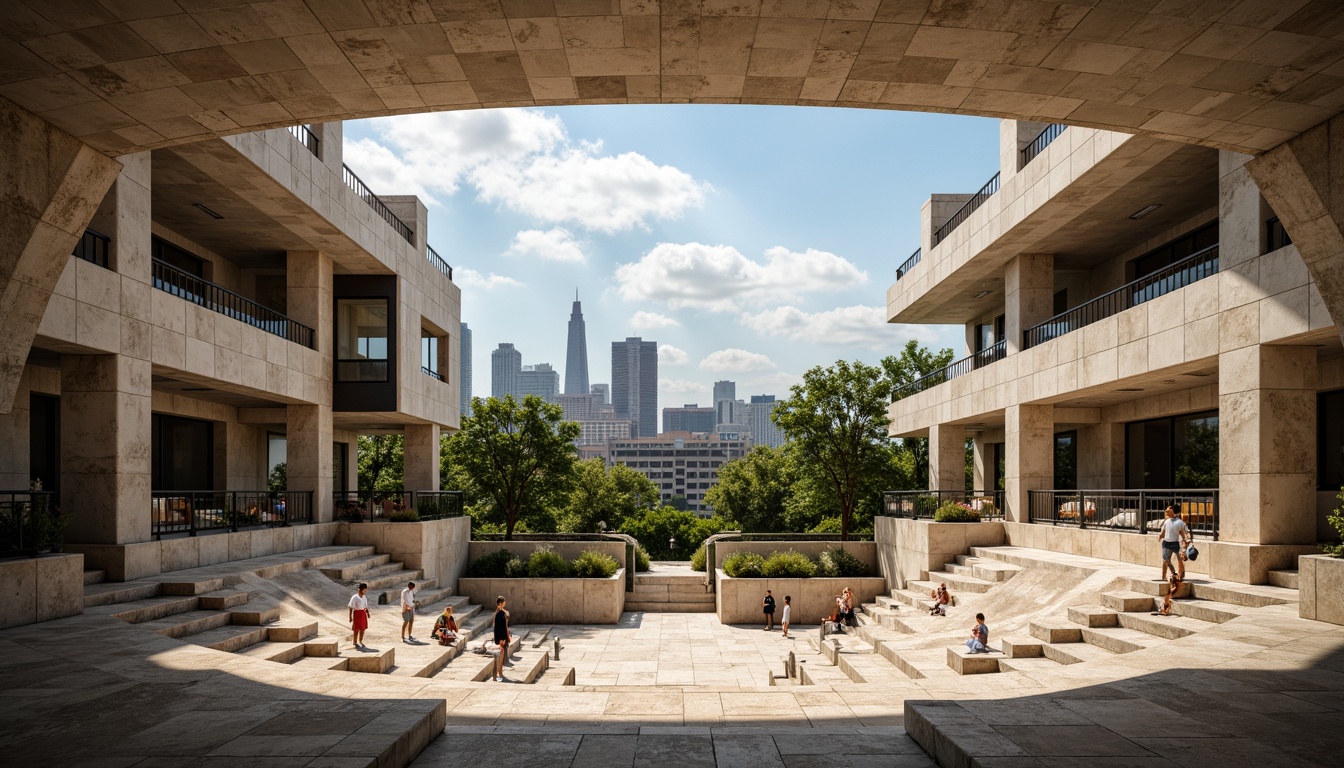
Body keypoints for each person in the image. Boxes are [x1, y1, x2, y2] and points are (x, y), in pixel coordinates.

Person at [1160, 505, 1192, 581]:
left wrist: (1188, 541)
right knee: (1166, 560)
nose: (1167, 513)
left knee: (1180, 559)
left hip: (1176, 543)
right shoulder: (1167, 521)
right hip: (1167, 543)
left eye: (1169, 511)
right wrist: (1160, 536)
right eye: (1167, 511)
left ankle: (1180, 574)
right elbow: (1163, 532)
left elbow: (1186, 533)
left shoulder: (1180, 522)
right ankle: (1168, 574)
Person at [492, 595, 511, 682]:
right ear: (500, 604)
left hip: (502, 637)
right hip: (500, 637)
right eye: (503, 603)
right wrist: (501, 639)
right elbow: (498, 628)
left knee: (502, 653)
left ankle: (500, 671)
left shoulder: (501, 613)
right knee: (501, 653)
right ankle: (499, 672)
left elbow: (506, 622)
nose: (505, 604)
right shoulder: (499, 614)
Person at [347, 583, 370, 649]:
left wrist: (367, 613)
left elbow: (365, 606)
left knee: (362, 628)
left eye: (365, 590)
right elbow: (351, 607)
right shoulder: (355, 597)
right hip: (357, 613)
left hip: (363, 613)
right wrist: (350, 617)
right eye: (364, 590)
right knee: (356, 629)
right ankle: (355, 641)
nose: (365, 592)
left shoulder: (364, 597)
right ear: (360, 590)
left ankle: (360, 640)